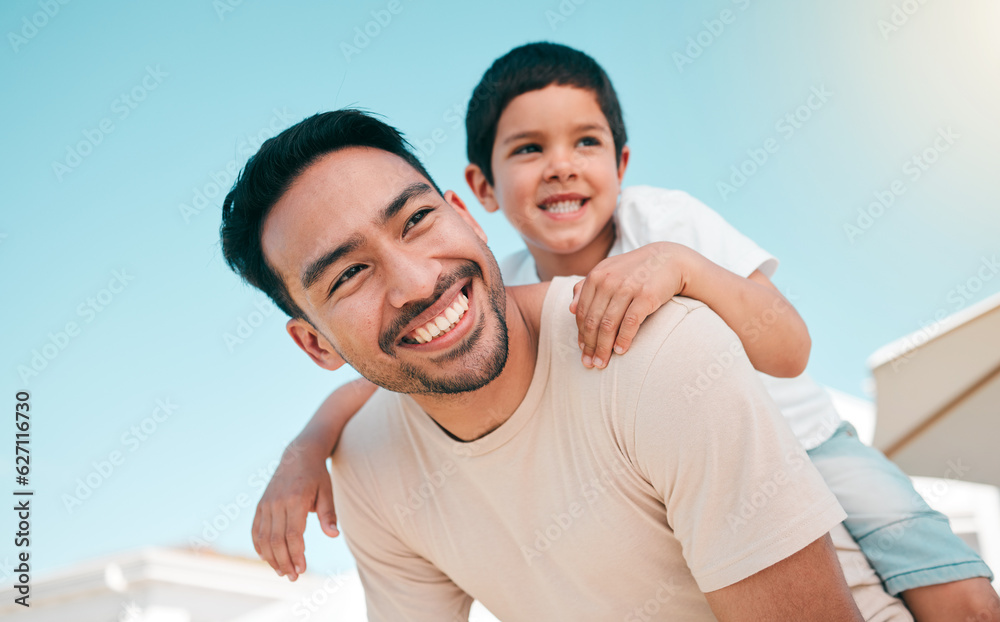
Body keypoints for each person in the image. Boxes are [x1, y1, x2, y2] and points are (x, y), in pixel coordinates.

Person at [249, 44, 998, 620]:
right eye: (528, 150)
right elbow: (369, 389)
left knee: (960, 599)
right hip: (702, 472)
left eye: (585, 143)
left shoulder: (665, 226)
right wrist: (303, 454)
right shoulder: (492, 293)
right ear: (481, 189)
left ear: (622, 161)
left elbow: (788, 349)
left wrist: (684, 270)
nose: (560, 168)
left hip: (807, 442)